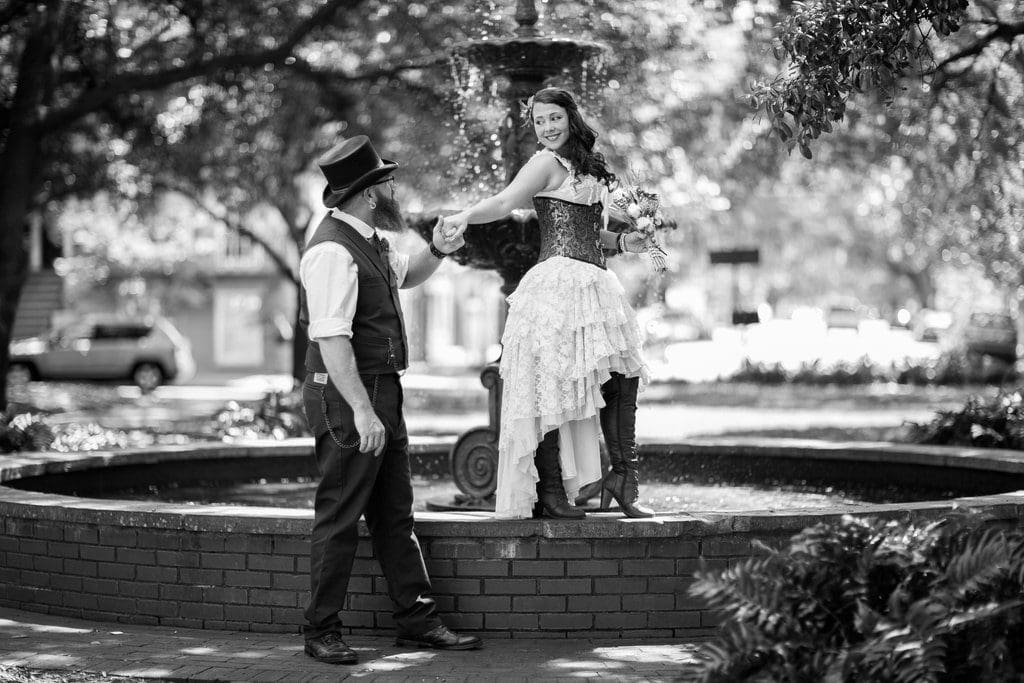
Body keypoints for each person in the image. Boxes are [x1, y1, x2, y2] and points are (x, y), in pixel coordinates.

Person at [299, 135, 482, 664]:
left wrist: (441, 249)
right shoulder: (333, 249)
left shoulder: (370, 240)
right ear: (370, 192)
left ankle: (417, 622)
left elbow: (412, 275)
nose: (395, 186)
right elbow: (330, 338)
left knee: (393, 514)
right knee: (339, 515)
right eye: (387, 180)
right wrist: (360, 410)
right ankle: (320, 630)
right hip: (348, 394)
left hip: (382, 388)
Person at [442, 87, 655, 520]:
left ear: (570, 117)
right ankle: (551, 492)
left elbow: (593, 233)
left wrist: (626, 241)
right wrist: (464, 216)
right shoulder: (544, 163)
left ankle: (623, 477)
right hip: (556, 285)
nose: (548, 127)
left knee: (621, 378)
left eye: (554, 118)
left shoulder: (590, 167)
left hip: (596, 285)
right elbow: (504, 201)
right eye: (539, 121)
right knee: (551, 386)